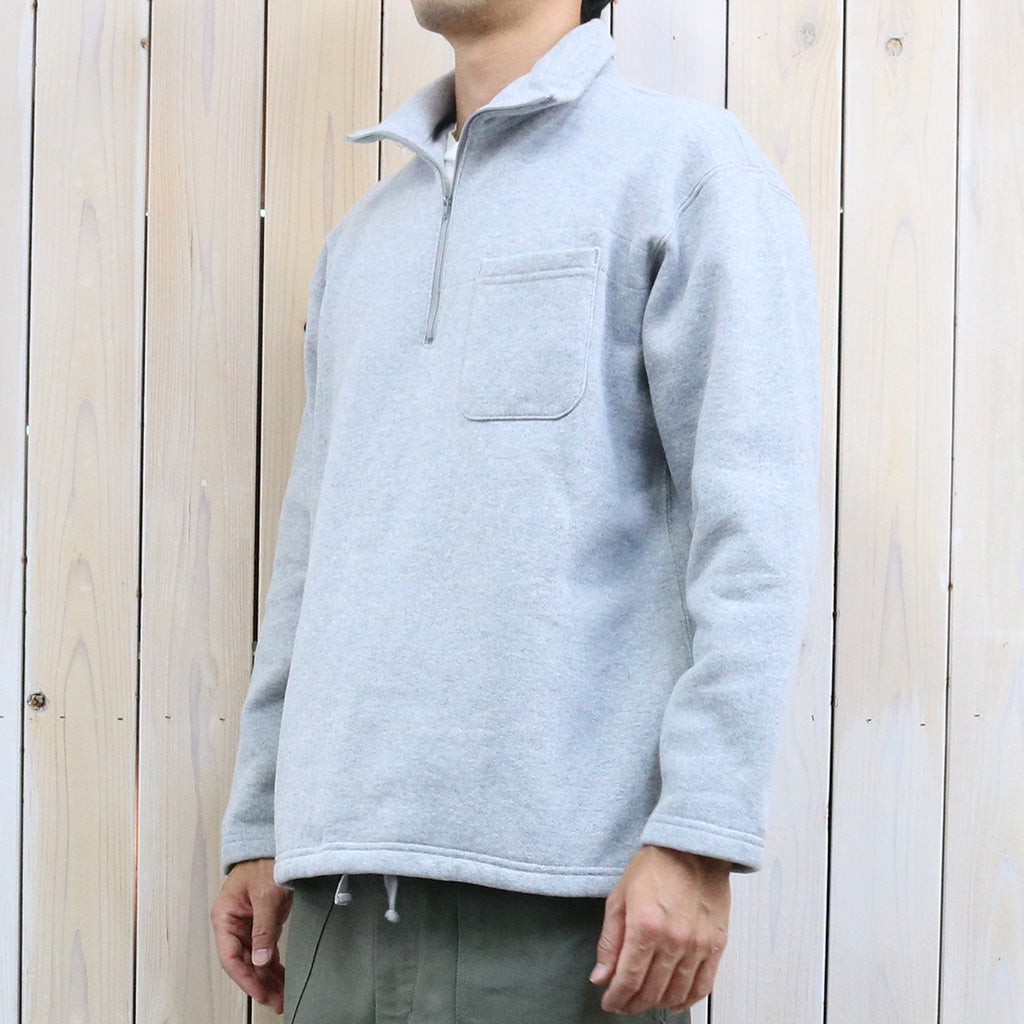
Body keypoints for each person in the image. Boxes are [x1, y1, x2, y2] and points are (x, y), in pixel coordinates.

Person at [210, 0, 822, 1021]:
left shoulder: (684, 167)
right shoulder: (361, 240)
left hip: (568, 909)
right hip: (333, 902)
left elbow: (753, 524)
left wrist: (698, 833)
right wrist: (261, 822)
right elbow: (313, 553)